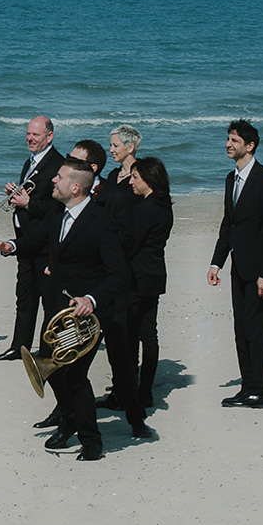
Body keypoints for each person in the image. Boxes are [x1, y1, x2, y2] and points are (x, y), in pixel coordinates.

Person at [0, 158, 130, 461]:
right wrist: (11, 246)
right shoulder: (57, 212)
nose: (53, 180)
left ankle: (91, 441)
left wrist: (90, 299)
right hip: (56, 307)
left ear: (75, 187)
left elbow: (119, 275)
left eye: (60, 177)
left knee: (75, 376)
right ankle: (68, 421)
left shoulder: (102, 222)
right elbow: (37, 241)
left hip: (87, 316)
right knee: (50, 369)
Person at [208, 120, 263, 409]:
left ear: (250, 146)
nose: (228, 144)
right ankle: (248, 387)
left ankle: (260, 391)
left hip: (261, 270)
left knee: (256, 329)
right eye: (228, 139)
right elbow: (229, 224)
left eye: (234, 140)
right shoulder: (231, 179)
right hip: (239, 266)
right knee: (241, 328)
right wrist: (216, 263)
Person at [0, 116, 65, 362]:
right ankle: (18, 347)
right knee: (24, 297)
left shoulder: (59, 165)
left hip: (44, 244)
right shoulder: (30, 162)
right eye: (28, 134)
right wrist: (16, 195)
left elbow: (57, 208)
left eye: (35, 135)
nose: (30, 138)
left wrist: (28, 202)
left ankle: (47, 351)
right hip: (25, 240)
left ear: (49, 137)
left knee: (48, 301)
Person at [110, 156, 174, 428]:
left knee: (130, 336)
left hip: (137, 278)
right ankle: (143, 390)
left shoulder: (145, 209)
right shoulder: (163, 205)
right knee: (147, 333)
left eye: (135, 178)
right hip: (153, 275)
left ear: (149, 179)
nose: (131, 182)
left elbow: (130, 243)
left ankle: (131, 391)